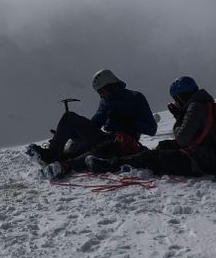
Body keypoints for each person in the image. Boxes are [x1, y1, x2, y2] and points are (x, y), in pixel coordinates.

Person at [90, 76, 216, 178]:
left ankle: (112, 165)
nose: (175, 102)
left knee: (155, 157)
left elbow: (181, 138)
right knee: (165, 145)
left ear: (180, 96)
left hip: (207, 162)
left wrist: (178, 117)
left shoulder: (195, 108)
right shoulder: (208, 104)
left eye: (176, 99)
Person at [27, 69, 158, 179]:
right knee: (69, 117)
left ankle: (64, 165)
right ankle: (51, 155)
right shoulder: (105, 102)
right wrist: (72, 132)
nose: (100, 96)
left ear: (110, 87)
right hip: (105, 137)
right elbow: (95, 124)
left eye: (101, 92)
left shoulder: (135, 98)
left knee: (101, 149)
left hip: (124, 143)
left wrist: (129, 121)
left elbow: (152, 129)